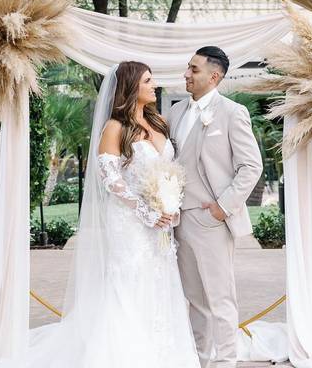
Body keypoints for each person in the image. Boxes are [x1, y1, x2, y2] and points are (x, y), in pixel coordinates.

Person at [17, 61, 200, 368]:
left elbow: (168, 173)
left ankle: (161, 352)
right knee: (129, 282)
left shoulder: (158, 123)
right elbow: (110, 178)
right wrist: (144, 210)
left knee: (159, 282)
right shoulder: (114, 128)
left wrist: (170, 206)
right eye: (147, 80)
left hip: (161, 225)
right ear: (131, 88)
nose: (153, 85)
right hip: (130, 222)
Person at [167, 46, 264, 368]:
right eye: (187, 68)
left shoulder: (232, 113)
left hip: (212, 220)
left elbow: (251, 166)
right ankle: (199, 359)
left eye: (193, 69)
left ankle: (226, 362)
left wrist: (223, 207)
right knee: (194, 299)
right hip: (179, 219)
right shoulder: (176, 112)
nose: (186, 74)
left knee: (220, 298)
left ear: (214, 76)